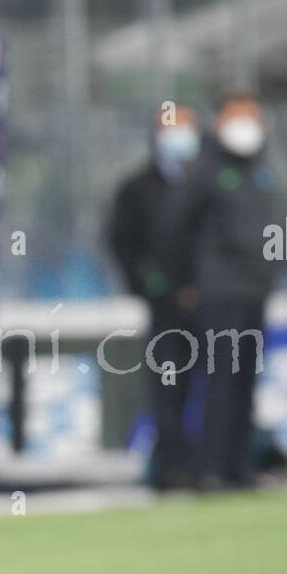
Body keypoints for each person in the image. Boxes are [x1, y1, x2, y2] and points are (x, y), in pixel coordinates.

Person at [169, 91, 278, 491]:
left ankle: (239, 464)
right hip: (219, 293)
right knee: (219, 380)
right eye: (238, 116)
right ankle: (210, 468)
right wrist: (188, 283)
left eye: (252, 115)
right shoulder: (205, 170)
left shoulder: (261, 169)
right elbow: (178, 229)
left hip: (254, 291)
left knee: (246, 380)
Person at [108, 105, 201, 490]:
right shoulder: (137, 188)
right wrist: (154, 286)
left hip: (215, 303)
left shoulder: (208, 182)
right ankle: (171, 468)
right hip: (165, 307)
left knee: (222, 387)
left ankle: (217, 464)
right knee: (167, 386)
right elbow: (123, 243)